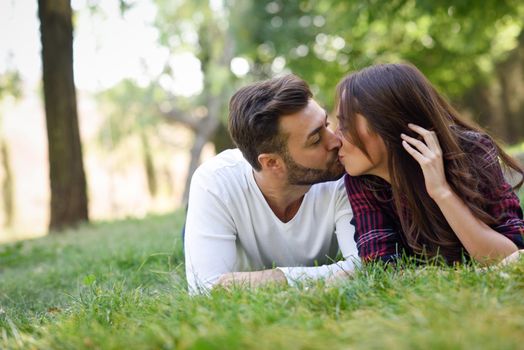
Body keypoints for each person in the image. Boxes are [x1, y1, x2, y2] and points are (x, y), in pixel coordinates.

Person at [335, 62, 524, 266]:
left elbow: (511, 254)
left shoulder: (470, 150)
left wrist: (442, 192)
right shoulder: (362, 182)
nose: (336, 139)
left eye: (345, 125)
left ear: (386, 122)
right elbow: (381, 267)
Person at [184, 74, 358, 294]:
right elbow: (205, 289)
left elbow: (363, 265)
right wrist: (332, 273)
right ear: (273, 163)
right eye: (315, 139)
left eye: (327, 124)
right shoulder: (214, 182)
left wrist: (275, 277)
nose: (335, 141)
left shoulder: (344, 174)